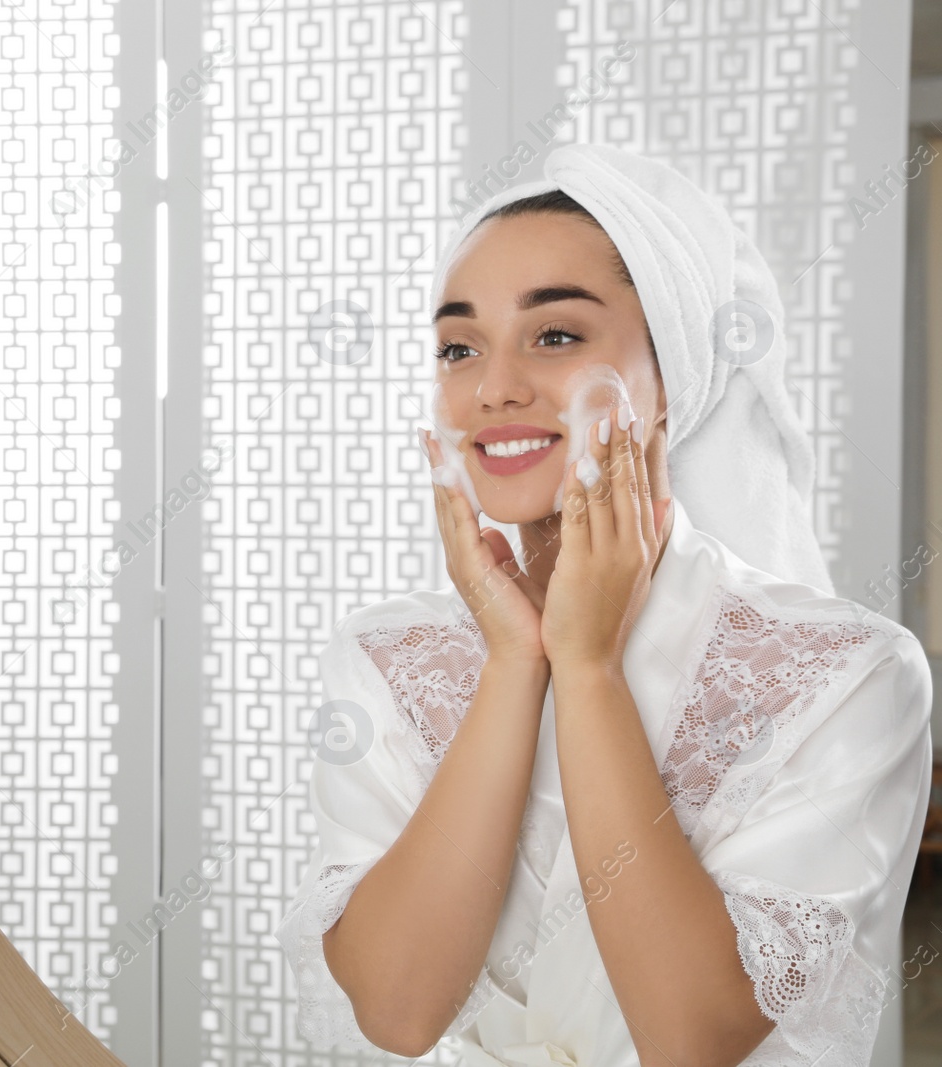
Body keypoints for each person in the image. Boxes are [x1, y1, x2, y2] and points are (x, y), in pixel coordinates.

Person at [277, 143, 932, 1067]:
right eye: (458, 347)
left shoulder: (845, 672)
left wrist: (585, 670)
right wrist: (514, 662)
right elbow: (397, 1010)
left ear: (673, 375)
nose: (494, 386)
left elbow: (693, 1037)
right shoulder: (387, 656)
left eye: (555, 335)